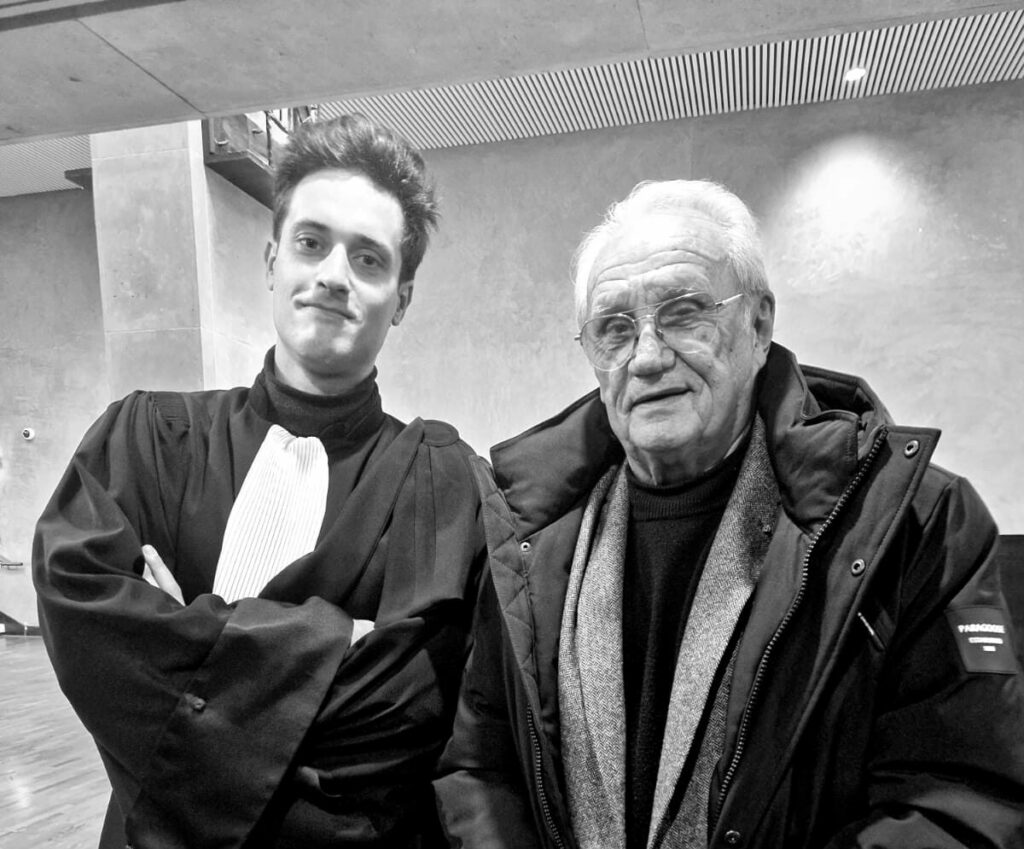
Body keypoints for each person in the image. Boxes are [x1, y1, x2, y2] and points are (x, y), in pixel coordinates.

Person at [435, 179, 1024, 848]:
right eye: (614, 329)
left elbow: (960, 799)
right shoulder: (528, 534)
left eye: (685, 312)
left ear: (759, 325)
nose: (647, 356)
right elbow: (480, 768)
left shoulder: (913, 521)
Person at [34, 114, 485, 849]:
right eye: (311, 243)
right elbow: (92, 640)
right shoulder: (148, 441)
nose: (333, 274)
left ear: (401, 298)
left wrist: (189, 639)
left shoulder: (445, 486)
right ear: (273, 261)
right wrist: (340, 645)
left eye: (369, 259)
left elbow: (412, 712)